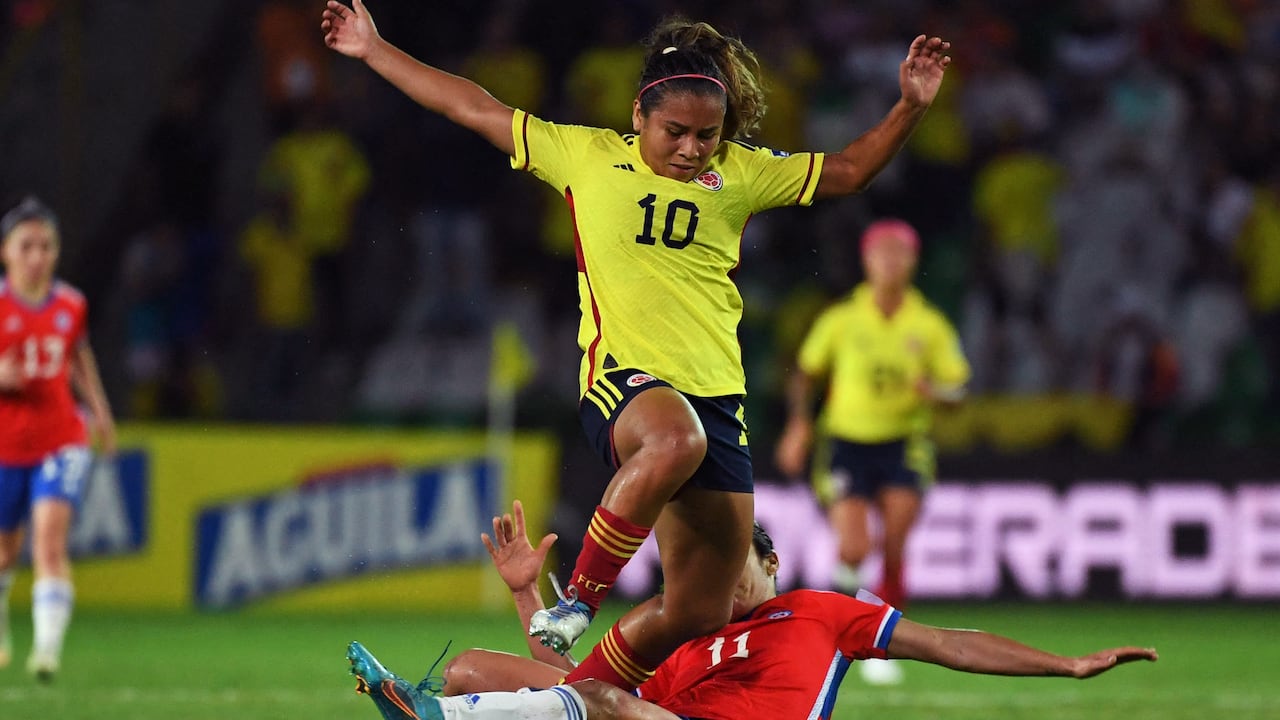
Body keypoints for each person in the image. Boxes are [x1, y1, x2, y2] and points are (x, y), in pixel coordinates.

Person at [322, 0, 952, 691]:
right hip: (626, 382)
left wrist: (911, 106)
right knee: (674, 443)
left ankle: (571, 702)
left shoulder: (741, 173)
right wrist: (375, 49)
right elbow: (471, 106)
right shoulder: (585, 156)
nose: (690, 149)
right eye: (675, 132)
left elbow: (849, 171)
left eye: (706, 136)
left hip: (718, 400)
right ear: (638, 117)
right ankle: (577, 604)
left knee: (698, 608)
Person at [343, 500, 1158, 720]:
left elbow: (946, 641)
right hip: (643, 716)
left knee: (596, 705)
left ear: (769, 561)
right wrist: (528, 590)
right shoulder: (684, 632)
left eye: (733, 564)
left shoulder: (821, 611)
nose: (718, 579)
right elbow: (574, 681)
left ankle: (433, 719)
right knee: (468, 671)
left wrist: (1068, 664)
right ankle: (437, 710)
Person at [775, 218, 970, 685]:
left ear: (912, 261)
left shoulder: (929, 324)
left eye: (899, 252)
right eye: (881, 252)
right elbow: (805, 373)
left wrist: (937, 394)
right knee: (855, 545)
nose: (890, 261)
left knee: (896, 543)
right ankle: (842, 635)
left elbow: (957, 388)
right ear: (867, 261)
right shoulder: (842, 318)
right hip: (846, 441)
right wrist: (799, 425)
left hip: (904, 442)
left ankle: (883, 640)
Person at [0, 196, 116, 681]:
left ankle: (45, 653)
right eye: (26, 246)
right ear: (6, 252)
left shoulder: (71, 304)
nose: (37, 256)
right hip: (6, 443)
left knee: (49, 539)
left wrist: (101, 412)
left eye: (46, 246)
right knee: (5, 549)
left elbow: (78, 358)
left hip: (60, 436)